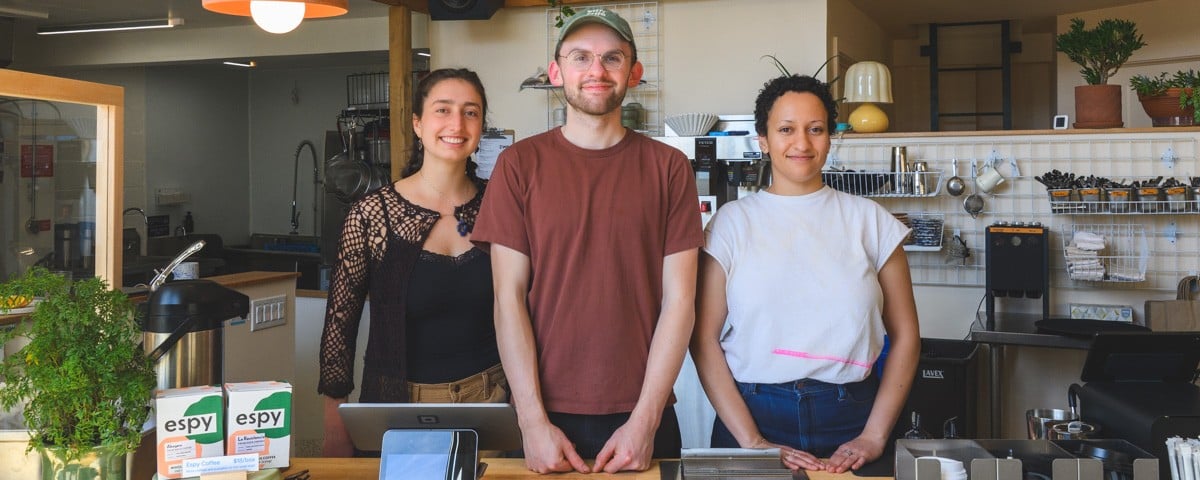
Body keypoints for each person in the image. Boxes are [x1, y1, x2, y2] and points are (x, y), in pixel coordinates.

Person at [471, 7, 703, 475]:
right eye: (581, 57)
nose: (597, 71)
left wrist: (646, 420)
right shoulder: (518, 166)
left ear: (633, 73)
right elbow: (508, 298)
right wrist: (532, 421)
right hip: (544, 418)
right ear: (557, 72)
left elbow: (680, 302)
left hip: (644, 416)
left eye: (612, 58)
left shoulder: (669, 168)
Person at [690, 74, 921, 473]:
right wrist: (753, 441)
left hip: (853, 419)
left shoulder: (871, 221)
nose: (802, 143)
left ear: (831, 137)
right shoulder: (731, 224)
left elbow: (906, 337)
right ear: (762, 140)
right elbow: (703, 339)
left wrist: (874, 434)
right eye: (786, 130)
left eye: (816, 129)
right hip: (750, 416)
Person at [318, 68, 506, 457]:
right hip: (399, 411)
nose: (457, 123)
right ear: (418, 125)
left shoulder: (503, 206)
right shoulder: (371, 215)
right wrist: (335, 421)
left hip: (493, 403)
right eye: (443, 110)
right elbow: (340, 326)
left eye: (470, 112)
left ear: (481, 127)